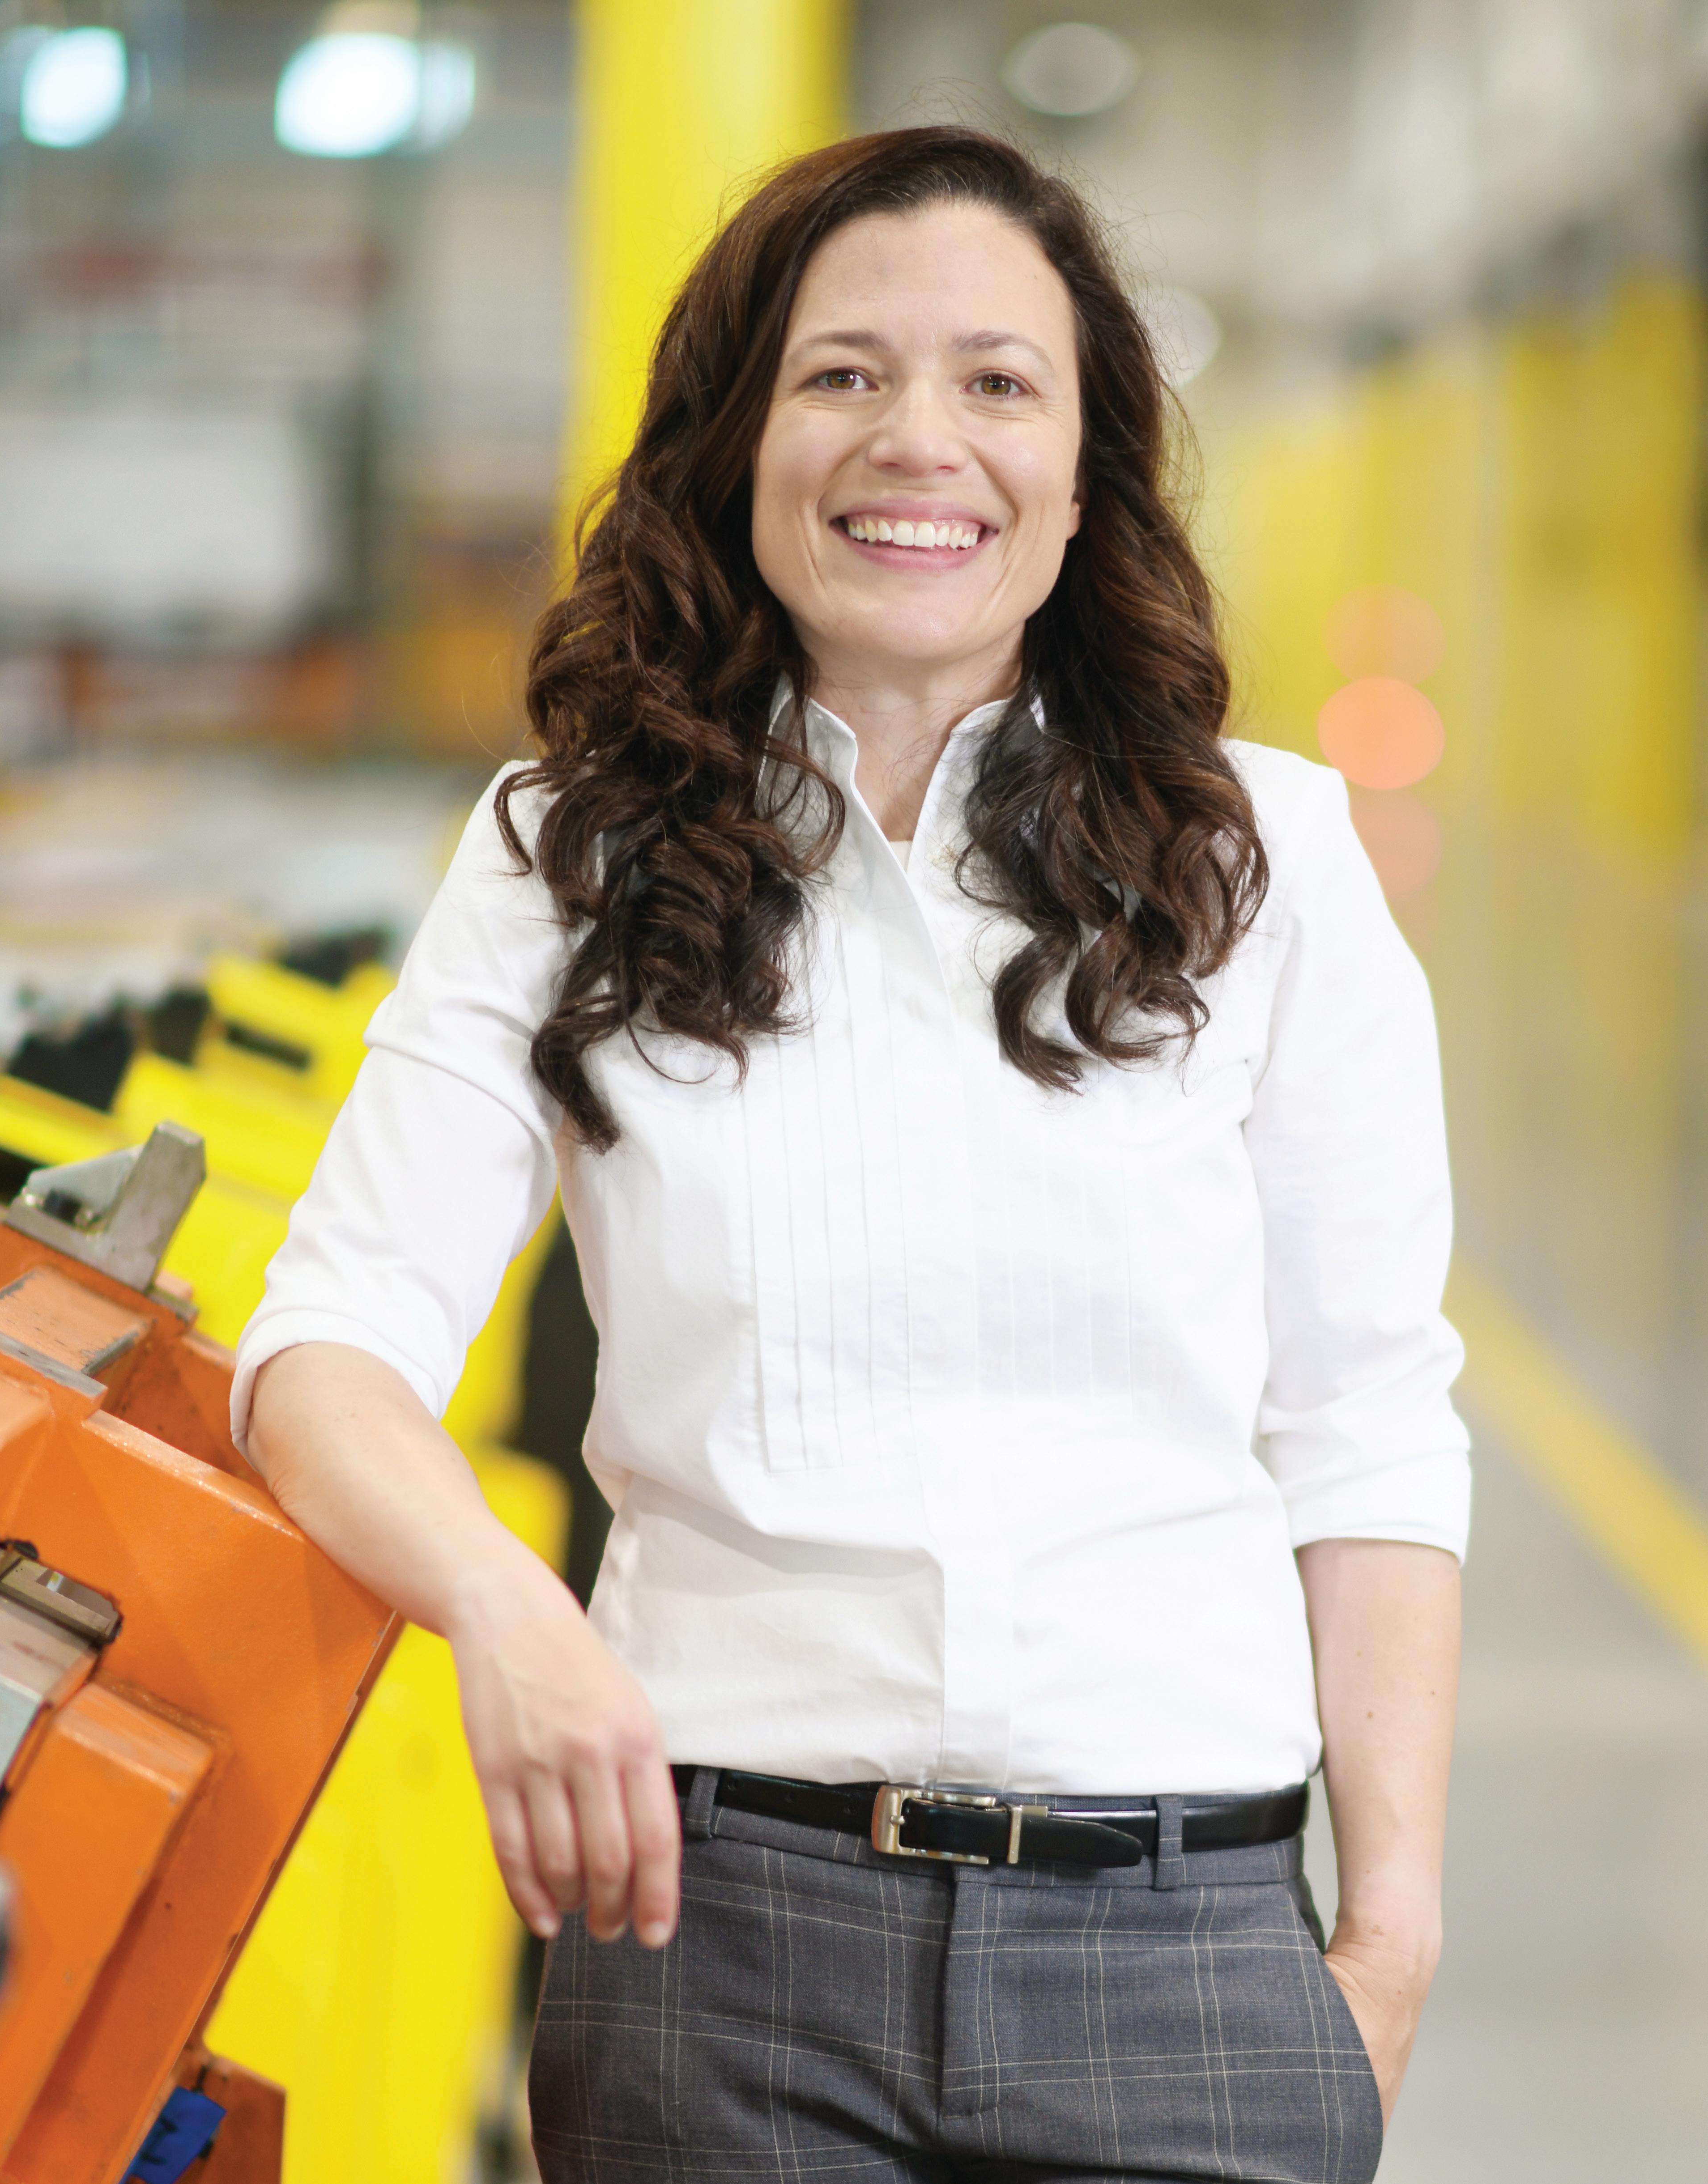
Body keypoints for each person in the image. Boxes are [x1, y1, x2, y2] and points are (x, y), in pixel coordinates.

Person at [237, 128, 1467, 2184]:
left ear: (1084, 470)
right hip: (714, 1955)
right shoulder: (571, 853)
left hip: (1183, 1947)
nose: (920, 440)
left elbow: (1367, 1426)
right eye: (842, 374)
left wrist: (1391, 1938)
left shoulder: (1270, 865)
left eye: (998, 382)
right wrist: (509, 1616)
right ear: (740, 439)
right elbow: (327, 1345)